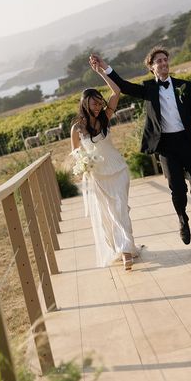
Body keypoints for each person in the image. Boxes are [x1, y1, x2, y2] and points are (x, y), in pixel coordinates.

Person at [89, 47, 191, 250]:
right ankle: (183, 220)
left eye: (165, 60)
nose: (164, 63)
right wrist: (104, 67)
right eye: (159, 61)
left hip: (190, 143)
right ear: (151, 67)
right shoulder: (148, 89)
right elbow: (123, 86)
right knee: (178, 191)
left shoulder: (184, 86)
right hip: (167, 147)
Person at [70, 69, 138, 270]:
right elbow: (75, 153)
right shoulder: (77, 129)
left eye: (100, 103)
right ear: (85, 104)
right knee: (109, 214)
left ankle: (126, 252)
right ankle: (121, 248)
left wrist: (101, 72)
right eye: (94, 103)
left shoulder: (106, 117)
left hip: (118, 170)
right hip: (98, 175)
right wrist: (83, 162)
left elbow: (116, 92)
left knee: (120, 209)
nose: (99, 106)